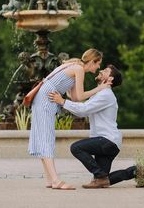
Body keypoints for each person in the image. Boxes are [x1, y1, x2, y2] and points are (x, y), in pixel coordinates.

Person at [28, 48, 110, 190]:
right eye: (98, 64)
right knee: (46, 138)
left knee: (43, 137)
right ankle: (55, 181)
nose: (98, 67)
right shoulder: (78, 68)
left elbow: (75, 97)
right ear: (92, 61)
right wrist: (100, 88)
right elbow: (81, 96)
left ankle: (49, 179)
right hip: (46, 101)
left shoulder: (75, 65)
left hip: (44, 99)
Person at [48, 64, 137, 189]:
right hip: (110, 143)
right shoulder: (100, 94)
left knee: (76, 148)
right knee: (103, 180)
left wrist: (62, 102)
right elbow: (82, 103)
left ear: (110, 79)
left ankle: (100, 176)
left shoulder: (105, 94)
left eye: (105, 71)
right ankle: (136, 171)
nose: (100, 70)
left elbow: (83, 110)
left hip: (107, 140)